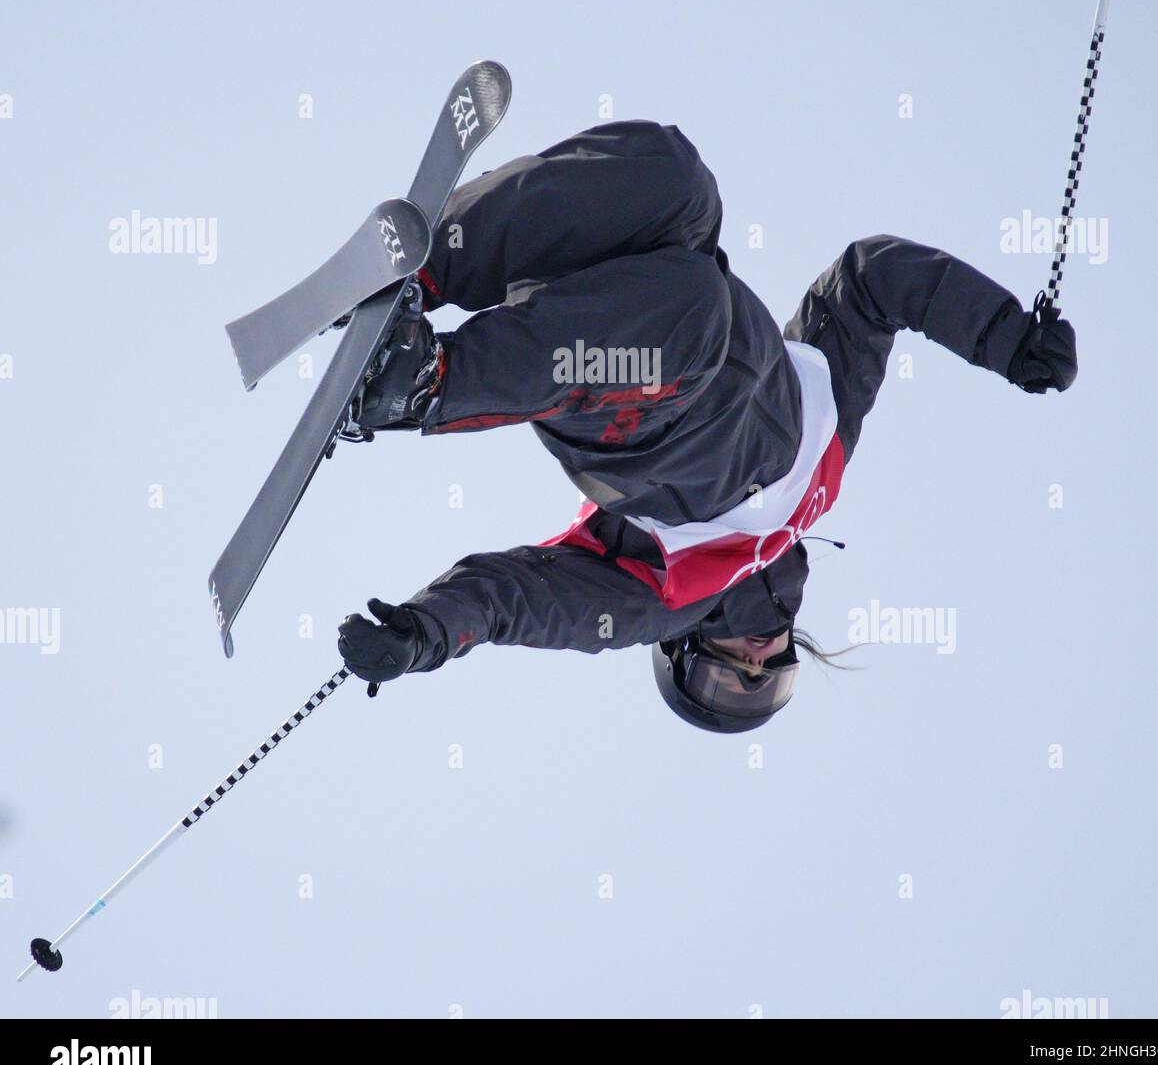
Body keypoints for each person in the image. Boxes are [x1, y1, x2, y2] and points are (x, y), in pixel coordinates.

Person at [336, 121, 1077, 732]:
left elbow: (515, 601)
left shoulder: (661, 600)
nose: (752, 662)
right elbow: (872, 281)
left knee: (690, 314)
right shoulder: (830, 455)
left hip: (645, 414)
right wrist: (1004, 338)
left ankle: (427, 384)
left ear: (683, 649)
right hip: (657, 306)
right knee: (676, 181)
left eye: (725, 677)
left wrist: (423, 634)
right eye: (770, 678)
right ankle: (432, 267)